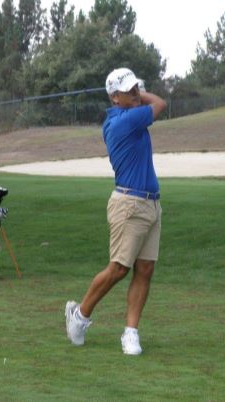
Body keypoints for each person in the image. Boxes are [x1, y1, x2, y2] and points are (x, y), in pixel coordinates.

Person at [65, 67, 167, 356]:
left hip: (151, 202)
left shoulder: (127, 114)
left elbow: (148, 104)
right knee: (119, 268)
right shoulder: (124, 121)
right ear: (114, 98)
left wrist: (133, 92)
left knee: (145, 269)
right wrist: (141, 94)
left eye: (137, 87)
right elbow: (159, 104)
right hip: (129, 203)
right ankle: (80, 316)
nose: (135, 93)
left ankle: (131, 333)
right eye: (128, 90)